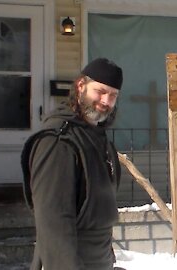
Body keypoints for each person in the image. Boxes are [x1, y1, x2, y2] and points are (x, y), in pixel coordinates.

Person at [21, 58, 124, 270]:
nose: (106, 101)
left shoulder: (97, 138)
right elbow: (53, 222)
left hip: (99, 260)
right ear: (80, 86)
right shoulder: (58, 141)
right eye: (100, 91)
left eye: (113, 95)